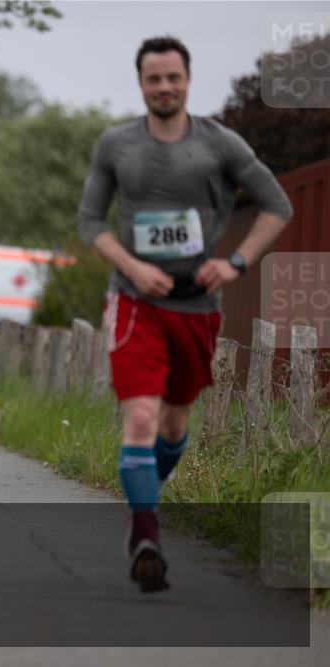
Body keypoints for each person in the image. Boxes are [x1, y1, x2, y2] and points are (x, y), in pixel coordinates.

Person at [77, 36, 292, 592]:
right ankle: (146, 536)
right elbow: (90, 221)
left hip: (197, 307)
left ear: (188, 80)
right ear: (141, 84)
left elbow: (277, 205)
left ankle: (143, 501)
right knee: (140, 419)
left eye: (173, 77)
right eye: (154, 79)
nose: (164, 87)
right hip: (135, 302)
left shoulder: (220, 143)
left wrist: (236, 262)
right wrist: (133, 266)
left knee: (173, 426)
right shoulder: (116, 144)